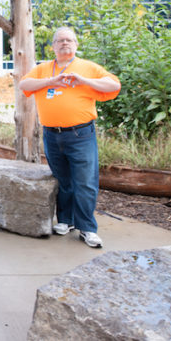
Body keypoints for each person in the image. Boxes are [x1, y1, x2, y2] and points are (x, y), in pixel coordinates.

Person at [18, 26, 120, 248]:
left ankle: (87, 228)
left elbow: (114, 85)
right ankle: (66, 220)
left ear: (76, 45)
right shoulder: (44, 68)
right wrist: (50, 82)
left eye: (69, 40)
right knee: (63, 180)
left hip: (80, 134)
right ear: (53, 46)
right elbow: (23, 84)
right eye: (60, 40)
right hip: (52, 136)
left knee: (85, 182)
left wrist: (84, 81)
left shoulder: (88, 68)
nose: (65, 43)